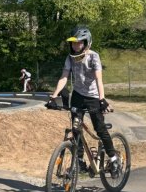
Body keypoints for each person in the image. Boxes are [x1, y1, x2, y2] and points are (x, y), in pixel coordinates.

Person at [48, 26, 120, 175]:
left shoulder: (93, 57)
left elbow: (99, 80)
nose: (75, 45)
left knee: (100, 129)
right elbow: (64, 77)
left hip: (93, 97)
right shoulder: (70, 58)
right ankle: (79, 161)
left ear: (86, 42)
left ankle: (113, 158)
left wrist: (102, 99)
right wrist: (54, 97)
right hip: (78, 96)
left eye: (79, 42)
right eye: (73, 43)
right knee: (76, 128)